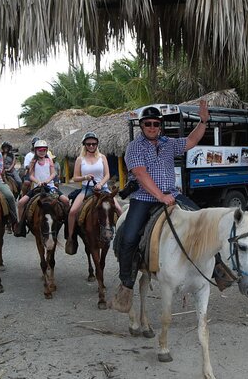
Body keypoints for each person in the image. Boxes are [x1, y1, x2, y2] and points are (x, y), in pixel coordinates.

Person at [109, 100, 210, 312]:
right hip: (144, 198)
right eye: (148, 124)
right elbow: (140, 174)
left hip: (171, 195)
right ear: (142, 126)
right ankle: (126, 282)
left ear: (160, 125)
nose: (152, 127)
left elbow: (191, 141)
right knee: (128, 237)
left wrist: (203, 121)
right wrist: (160, 196)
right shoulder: (134, 147)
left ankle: (216, 269)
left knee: (202, 221)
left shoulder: (168, 143)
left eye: (156, 123)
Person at [65, 132, 123, 255]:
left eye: (94, 144)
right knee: (72, 212)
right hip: (87, 189)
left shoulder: (102, 157)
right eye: (88, 144)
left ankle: (122, 238)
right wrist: (85, 177)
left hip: (103, 190)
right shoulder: (80, 159)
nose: (91, 146)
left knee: (119, 210)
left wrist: (101, 184)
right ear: (84, 145)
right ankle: (71, 238)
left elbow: (107, 174)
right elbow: (75, 178)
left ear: (97, 144)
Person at [15, 140, 70, 237]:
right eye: (40, 150)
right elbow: (31, 175)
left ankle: (67, 224)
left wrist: (48, 181)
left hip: (50, 188)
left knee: (65, 201)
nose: (42, 152)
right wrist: (38, 182)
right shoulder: (33, 161)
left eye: (44, 150)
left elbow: (53, 173)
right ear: (36, 150)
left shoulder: (49, 161)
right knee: (21, 203)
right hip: (37, 188)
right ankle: (21, 225)